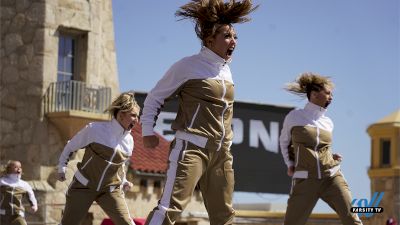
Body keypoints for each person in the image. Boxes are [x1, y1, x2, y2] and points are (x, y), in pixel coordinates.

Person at [140, 1, 258, 224]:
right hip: (191, 148)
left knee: (224, 215)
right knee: (170, 207)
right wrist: (147, 130)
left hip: (222, 153)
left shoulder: (226, 71)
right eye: (227, 36)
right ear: (209, 39)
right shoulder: (188, 66)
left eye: (235, 36)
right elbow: (155, 96)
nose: (233, 41)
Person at [279, 72, 363, 225]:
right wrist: (290, 164)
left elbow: (323, 149)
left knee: (352, 219)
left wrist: (332, 157)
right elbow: (284, 142)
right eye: (328, 93)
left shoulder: (328, 122)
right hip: (305, 180)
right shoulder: (295, 117)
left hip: (331, 177)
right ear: (314, 94)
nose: (331, 97)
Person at [57, 92, 140, 225]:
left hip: (110, 190)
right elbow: (70, 146)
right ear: (121, 114)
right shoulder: (95, 130)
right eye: (133, 115)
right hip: (84, 186)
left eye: (138, 116)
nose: (137, 120)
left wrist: (124, 181)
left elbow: (121, 165)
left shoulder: (130, 141)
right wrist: (62, 167)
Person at [0, 160, 38, 225]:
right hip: (3, 214)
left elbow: (31, 194)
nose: (19, 169)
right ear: (9, 169)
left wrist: (34, 205)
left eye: (20, 167)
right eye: (15, 167)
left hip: (17, 214)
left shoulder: (24, 184)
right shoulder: (2, 181)